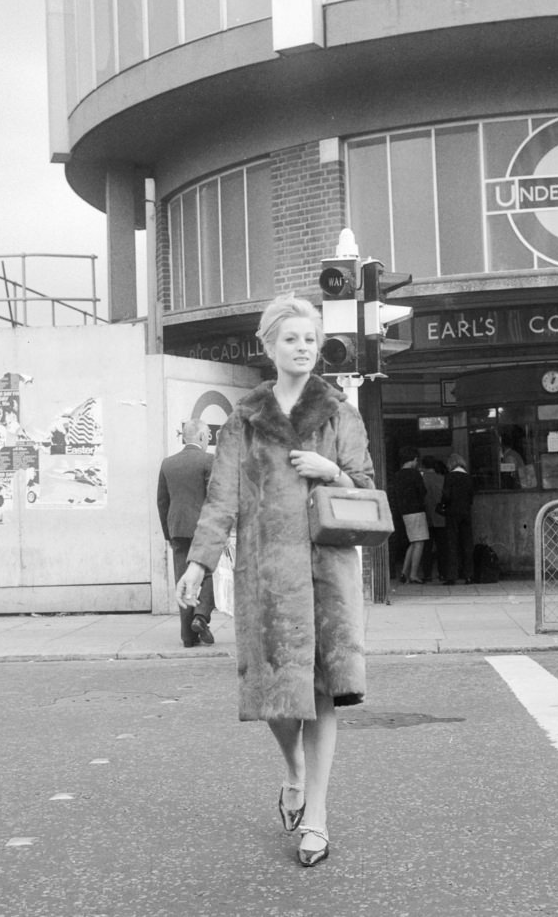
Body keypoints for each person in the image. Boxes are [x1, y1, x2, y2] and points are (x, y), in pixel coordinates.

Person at [176, 294, 374, 869]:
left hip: (327, 572)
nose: (303, 349)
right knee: (276, 701)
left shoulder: (340, 412)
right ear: (268, 345)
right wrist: (199, 563)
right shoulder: (245, 417)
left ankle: (317, 814)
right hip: (267, 574)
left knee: (322, 695)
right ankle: (292, 769)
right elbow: (222, 498)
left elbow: (365, 484)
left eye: (310, 340)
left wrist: (330, 470)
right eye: (291, 339)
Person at [157, 418, 216, 648]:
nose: (208, 441)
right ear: (201, 437)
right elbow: (214, 498)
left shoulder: (167, 464)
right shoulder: (208, 460)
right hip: (203, 529)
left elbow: (162, 502)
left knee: (183, 579)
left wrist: (168, 534)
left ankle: (188, 637)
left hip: (177, 530)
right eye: (208, 437)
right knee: (210, 573)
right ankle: (201, 617)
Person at [390, 446, 428, 584]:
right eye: (416, 460)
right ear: (413, 459)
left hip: (404, 512)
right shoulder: (414, 474)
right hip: (416, 511)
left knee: (413, 541)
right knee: (419, 542)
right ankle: (413, 574)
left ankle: (404, 572)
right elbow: (423, 491)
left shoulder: (397, 475)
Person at [441, 452, 475, 585]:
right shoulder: (468, 477)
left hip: (452, 513)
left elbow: (446, 496)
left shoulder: (450, 477)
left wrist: (443, 505)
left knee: (452, 544)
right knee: (467, 544)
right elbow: (471, 497)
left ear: (451, 464)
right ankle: (469, 575)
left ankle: (452, 576)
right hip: (466, 512)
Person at [421, 456, 447, 582]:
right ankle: (443, 573)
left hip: (426, 516)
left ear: (423, 466)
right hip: (441, 516)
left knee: (427, 547)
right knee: (443, 547)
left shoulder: (422, 479)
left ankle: (427, 574)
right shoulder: (442, 478)